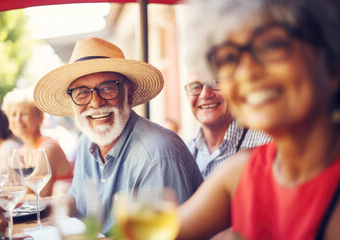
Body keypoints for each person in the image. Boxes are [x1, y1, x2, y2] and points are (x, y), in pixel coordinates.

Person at [177, 0, 340, 239]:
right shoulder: (242, 172)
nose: (246, 72)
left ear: (332, 65)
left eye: (271, 45)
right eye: (228, 58)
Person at [33, 37, 204, 235]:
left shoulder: (158, 155)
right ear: (73, 103)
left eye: (107, 88)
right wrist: (35, 208)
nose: (96, 103)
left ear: (128, 94)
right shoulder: (85, 142)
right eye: (82, 93)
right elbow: (76, 204)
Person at [185, 72, 271, 179]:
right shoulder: (184, 152)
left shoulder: (264, 144)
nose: (205, 94)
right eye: (195, 87)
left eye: (216, 82)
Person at [2, 88, 73, 197]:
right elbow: (9, 187)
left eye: (24, 113)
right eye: (13, 114)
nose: (17, 119)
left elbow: (36, 194)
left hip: (59, 212)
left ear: (40, 118)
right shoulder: (21, 150)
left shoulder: (48, 147)